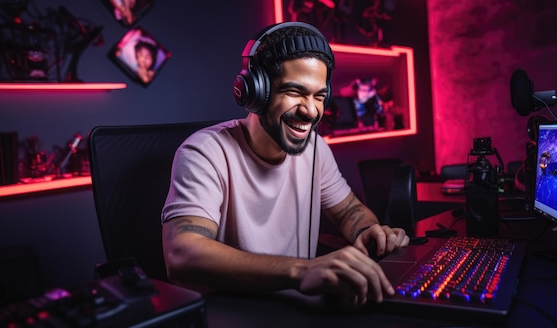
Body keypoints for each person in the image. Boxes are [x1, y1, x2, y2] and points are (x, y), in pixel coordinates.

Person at [161, 22, 409, 307]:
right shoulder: (205, 152)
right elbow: (181, 255)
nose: (310, 110)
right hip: (231, 313)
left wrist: (367, 231)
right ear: (256, 91)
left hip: (297, 306)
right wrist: (301, 271)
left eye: (319, 96)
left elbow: (349, 211)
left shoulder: (315, 149)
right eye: (295, 92)